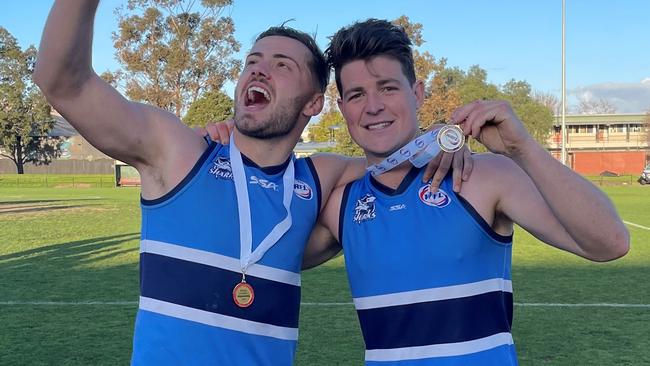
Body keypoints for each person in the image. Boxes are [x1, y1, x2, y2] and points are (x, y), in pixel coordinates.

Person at [34, 2, 471, 365]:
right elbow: (62, 81)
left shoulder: (320, 180)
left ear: (315, 103)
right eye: (252, 63)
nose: (259, 72)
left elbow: (393, 155)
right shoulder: (179, 152)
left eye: (282, 66)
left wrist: (443, 140)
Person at [300, 19, 630, 364]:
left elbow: (610, 243)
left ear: (417, 93)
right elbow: (260, 261)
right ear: (342, 109)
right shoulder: (341, 204)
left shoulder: (484, 176)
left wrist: (522, 149)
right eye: (356, 95)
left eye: (387, 88)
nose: (373, 106)